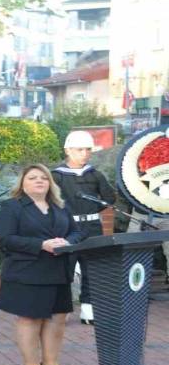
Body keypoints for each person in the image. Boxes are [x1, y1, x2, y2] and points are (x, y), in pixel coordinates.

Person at [0, 165, 82, 365]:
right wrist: (40, 245)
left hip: (58, 271)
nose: (39, 181)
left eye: (44, 177)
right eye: (32, 177)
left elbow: (76, 232)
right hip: (27, 272)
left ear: (50, 183)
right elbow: (5, 239)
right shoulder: (12, 207)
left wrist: (68, 242)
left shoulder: (60, 206)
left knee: (57, 319)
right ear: (22, 184)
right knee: (30, 318)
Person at [50, 131, 115, 325]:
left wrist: (91, 209)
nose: (84, 153)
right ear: (68, 150)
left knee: (92, 269)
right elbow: (51, 201)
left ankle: (88, 310)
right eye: (79, 149)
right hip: (68, 228)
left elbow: (108, 198)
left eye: (88, 149)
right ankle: (62, 309)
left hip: (93, 226)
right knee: (65, 268)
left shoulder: (95, 174)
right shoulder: (56, 176)